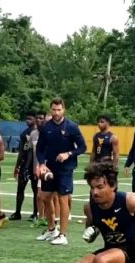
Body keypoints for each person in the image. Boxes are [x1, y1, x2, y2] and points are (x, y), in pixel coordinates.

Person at [35, 97, 87, 246]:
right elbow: (40, 149)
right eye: (54, 109)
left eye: (59, 109)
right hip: (50, 168)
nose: (56, 112)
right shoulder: (46, 127)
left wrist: (68, 154)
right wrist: (41, 164)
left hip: (66, 168)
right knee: (45, 196)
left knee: (63, 199)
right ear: (50, 110)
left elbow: (83, 147)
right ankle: (52, 229)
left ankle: (63, 235)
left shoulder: (72, 127)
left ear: (63, 110)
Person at [11, 113, 39, 221]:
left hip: (34, 164)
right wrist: (17, 166)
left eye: (30, 118)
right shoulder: (24, 134)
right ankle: (17, 212)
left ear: (35, 120)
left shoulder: (38, 133)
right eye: (26, 118)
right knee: (20, 188)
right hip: (24, 164)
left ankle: (35, 213)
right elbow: (22, 151)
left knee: (35, 189)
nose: (27, 121)